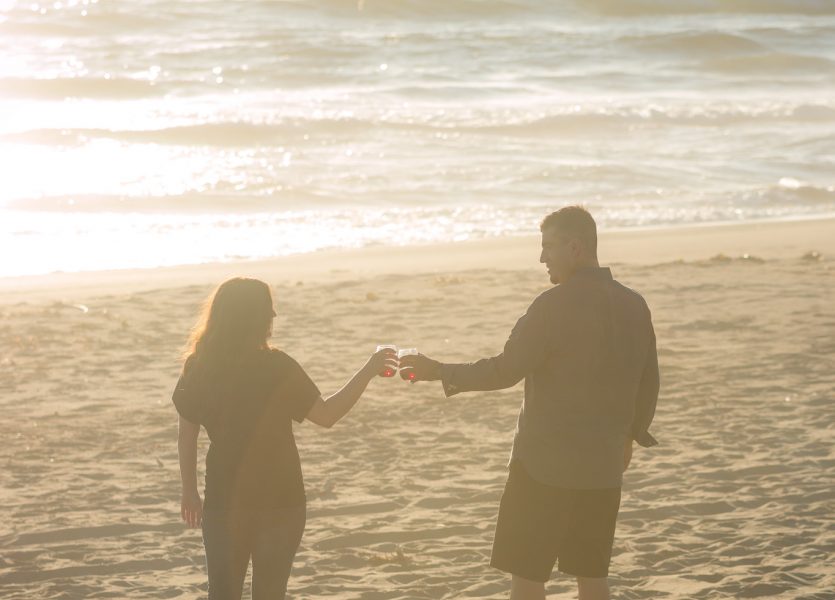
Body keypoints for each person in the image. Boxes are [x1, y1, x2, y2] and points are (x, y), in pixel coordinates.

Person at [400, 206, 659, 600]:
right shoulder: (634, 304)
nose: (542, 258)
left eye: (548, 247)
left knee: (527, 577)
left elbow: (505, 370)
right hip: (603, 468)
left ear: (575, 248)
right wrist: (630, 437)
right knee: (591, 577)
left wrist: (437, 370)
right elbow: (649, 380)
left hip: (543, 469)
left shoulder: (552, 305)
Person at [173, 277, 396, 600]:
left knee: (222, 593)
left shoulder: (200, 366)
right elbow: (327, 415)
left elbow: (186, 435)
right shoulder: (277, 366)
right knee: (270, 594)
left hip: (226, 501)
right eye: (269, 310)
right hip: (281, 501)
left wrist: (189, 491)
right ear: (256, 317)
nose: (274, 317)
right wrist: (369, 369)